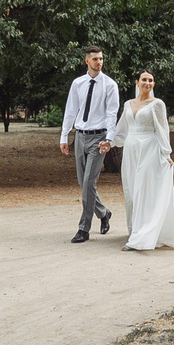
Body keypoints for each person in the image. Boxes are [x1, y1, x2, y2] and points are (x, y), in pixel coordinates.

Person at [58, 48, 119, 242]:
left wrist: (109, 139)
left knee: (89, 182)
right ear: (87, 61)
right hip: (80, 136)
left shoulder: (110, 85)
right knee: (82, 181)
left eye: (101, 58)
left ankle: (83, 228)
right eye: (95, 59)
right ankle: (103, 213)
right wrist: (64, 136)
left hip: (99, 137)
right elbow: (71, 110)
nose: (99, 62)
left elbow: (112, 114)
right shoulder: (78, 84)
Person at [117, 70, 174, 251]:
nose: (148, 83)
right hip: (131, 150)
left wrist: (166, 153)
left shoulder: (157, 104)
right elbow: (122, 127)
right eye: (144, 79)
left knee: (143, 191)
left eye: (151, 80)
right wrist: (110, 142)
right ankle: (134, 230)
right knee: (130, 190)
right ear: (137, 82)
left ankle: (142, 237)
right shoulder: (128, 104)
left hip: (149, 149)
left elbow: (162, 129)